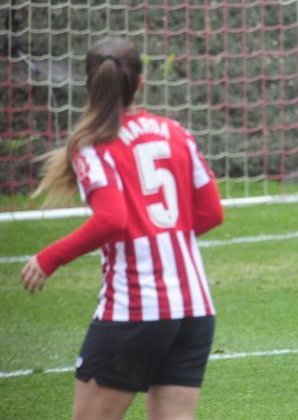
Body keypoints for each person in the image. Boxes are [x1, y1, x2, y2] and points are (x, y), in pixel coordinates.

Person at [20, 37, 224, 420]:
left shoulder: (92, 146)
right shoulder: (175, 131)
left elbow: (112, 219)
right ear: (141, 83)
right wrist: (163, 238)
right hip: (194, 308)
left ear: (89, 83)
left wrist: (49, 258)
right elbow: (212, 212)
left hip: (135, 309)